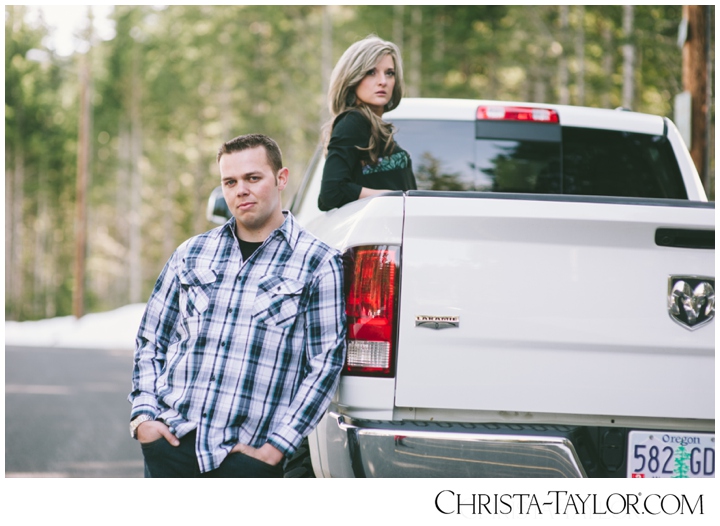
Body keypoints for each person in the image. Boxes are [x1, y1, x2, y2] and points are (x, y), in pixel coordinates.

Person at [128, 133, 346, 477]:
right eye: (229, 182)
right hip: (171, 447)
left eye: (252, 178)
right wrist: (144, 419)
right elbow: (150, 340)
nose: (240, 190)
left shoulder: (319, 262)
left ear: (281, 179)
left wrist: (278, 447)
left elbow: (325, 364)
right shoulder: (191, 253)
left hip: (249, 460)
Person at [318, 35, 417, 212]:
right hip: (377, 235)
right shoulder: (353, 122)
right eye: (371, 72)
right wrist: (390, 198)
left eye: (389, 73)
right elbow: (331, 193)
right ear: (353, 78)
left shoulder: (374, 127)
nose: (383, 81)